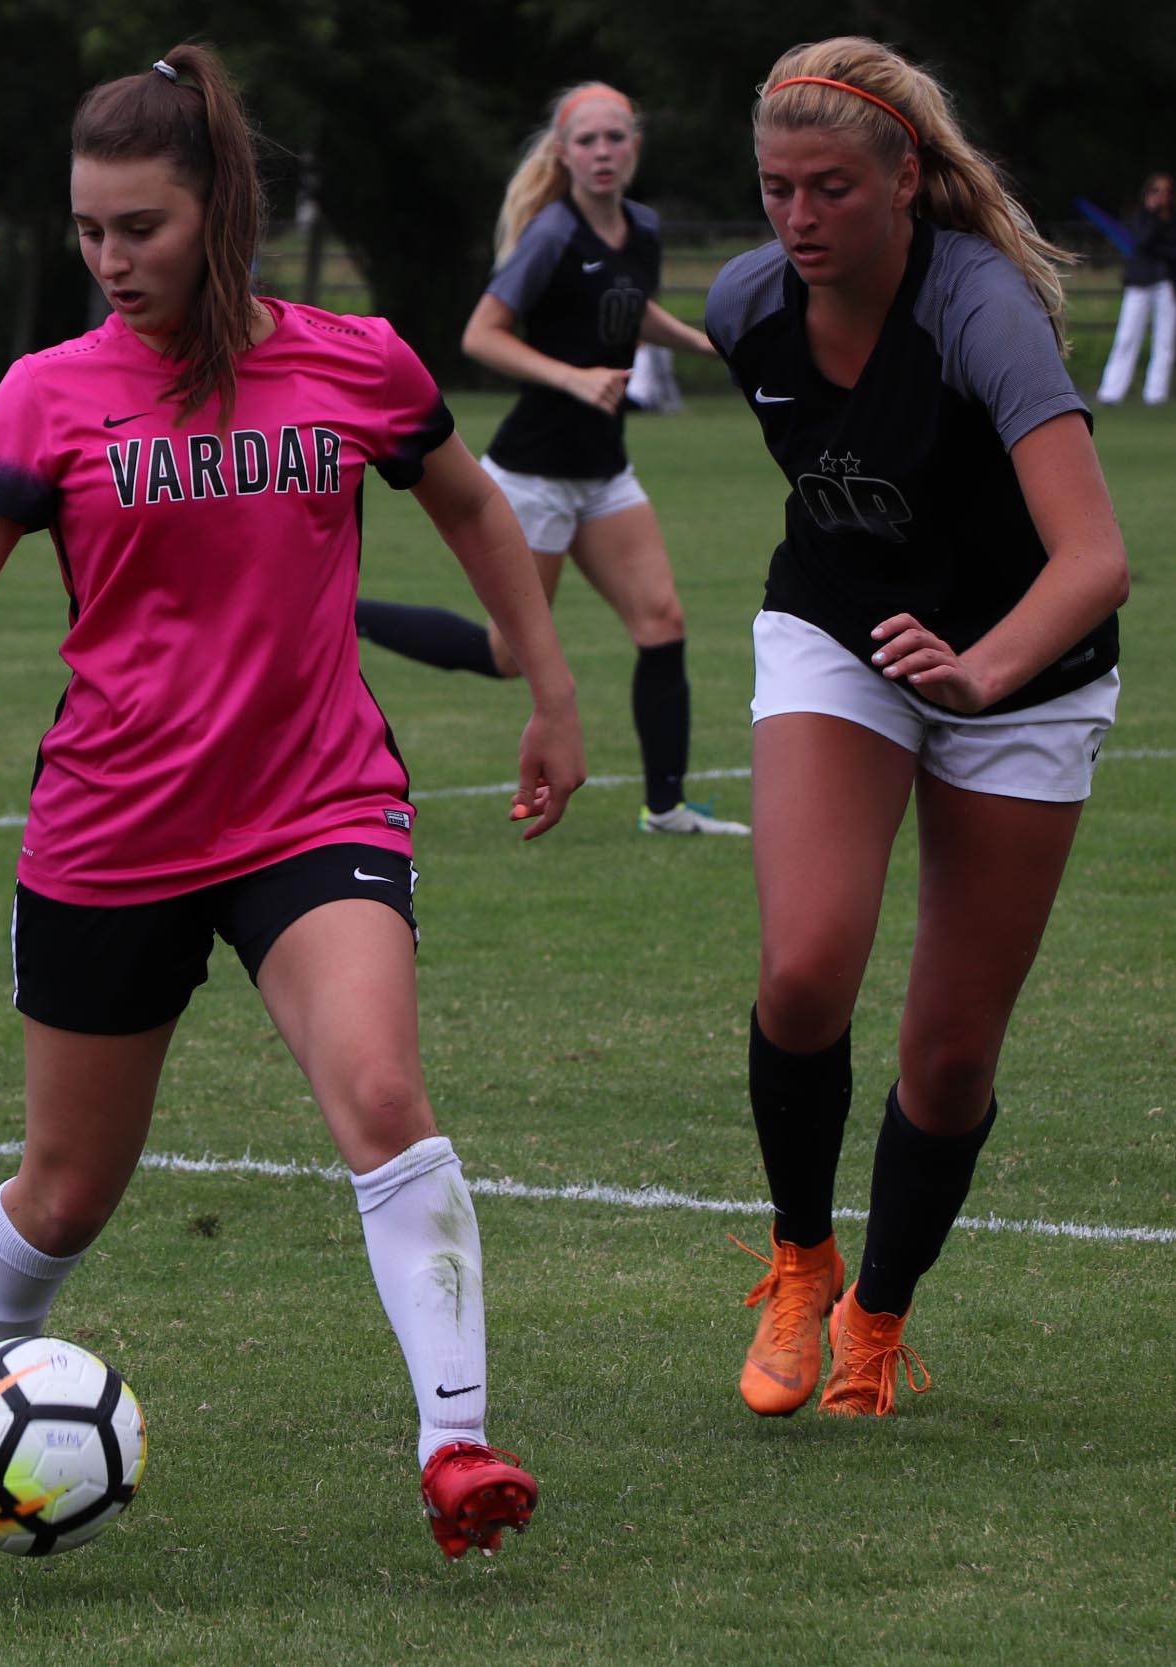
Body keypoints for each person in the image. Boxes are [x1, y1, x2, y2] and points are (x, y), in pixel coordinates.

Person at [0, 45, 585, 1558]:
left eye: (141, 227)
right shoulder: (48, 393)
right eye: (88, 230)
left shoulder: (355, 361)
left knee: (383, 1098)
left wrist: (549, 687)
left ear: (219, 211)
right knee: (64, 1196)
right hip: (111, 828)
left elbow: (468, 505)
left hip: (312, 806)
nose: (111, 260)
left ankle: (455, 1444)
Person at [704, 37, 1128, 1419]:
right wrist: (904, 659)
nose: (798, 219)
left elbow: (1090, 558)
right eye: (775, 188)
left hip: (1023, 662)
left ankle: (875, 1316)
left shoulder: (979, 310)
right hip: (842, 632)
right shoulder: (743, 305)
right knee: (805, 962)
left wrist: (981, 670)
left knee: (947, 1056)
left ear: (906, 183)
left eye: (829, 188)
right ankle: (797, 1257)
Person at [356, 83, 746, 837]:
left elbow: (630, 308)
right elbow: (481, 335)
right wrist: (572, 376)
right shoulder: (550, 235)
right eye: (587, 140)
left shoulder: (644, 228)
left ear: (634, 145)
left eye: (615, 138)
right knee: (508, 656)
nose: (602, 152)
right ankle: (347, 615)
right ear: (563, 154)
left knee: (661, 618)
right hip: (532, 471)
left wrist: (703, 341)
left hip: (604, 469)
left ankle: (664, 807)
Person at [1096, 172, 1176, 406]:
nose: (1161, 197)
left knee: (1165, 340)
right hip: (1139, 283)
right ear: (1147, 194)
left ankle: (1156, 394)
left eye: (1166, 192)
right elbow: (1141, 242)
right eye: (1156, 191)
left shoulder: (1172, 220)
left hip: (1166, 283)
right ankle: (1111, 391)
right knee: (1127, 337)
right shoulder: (1142, 217)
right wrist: (1153, 216)